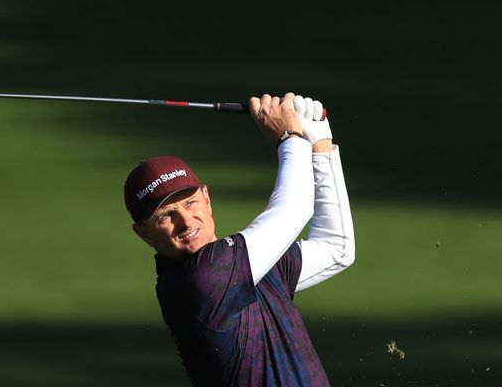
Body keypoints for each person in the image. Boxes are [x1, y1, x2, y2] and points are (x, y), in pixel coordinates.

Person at [123, 93, 355, 386]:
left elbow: (337, 248)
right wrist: (290, 136)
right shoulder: (199, 280)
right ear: (143, 233)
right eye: (165, 216)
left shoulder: (247, 267)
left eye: (190, 203)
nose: (185, 221)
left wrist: (320, 143)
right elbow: (294, 210)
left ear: (207, 199)